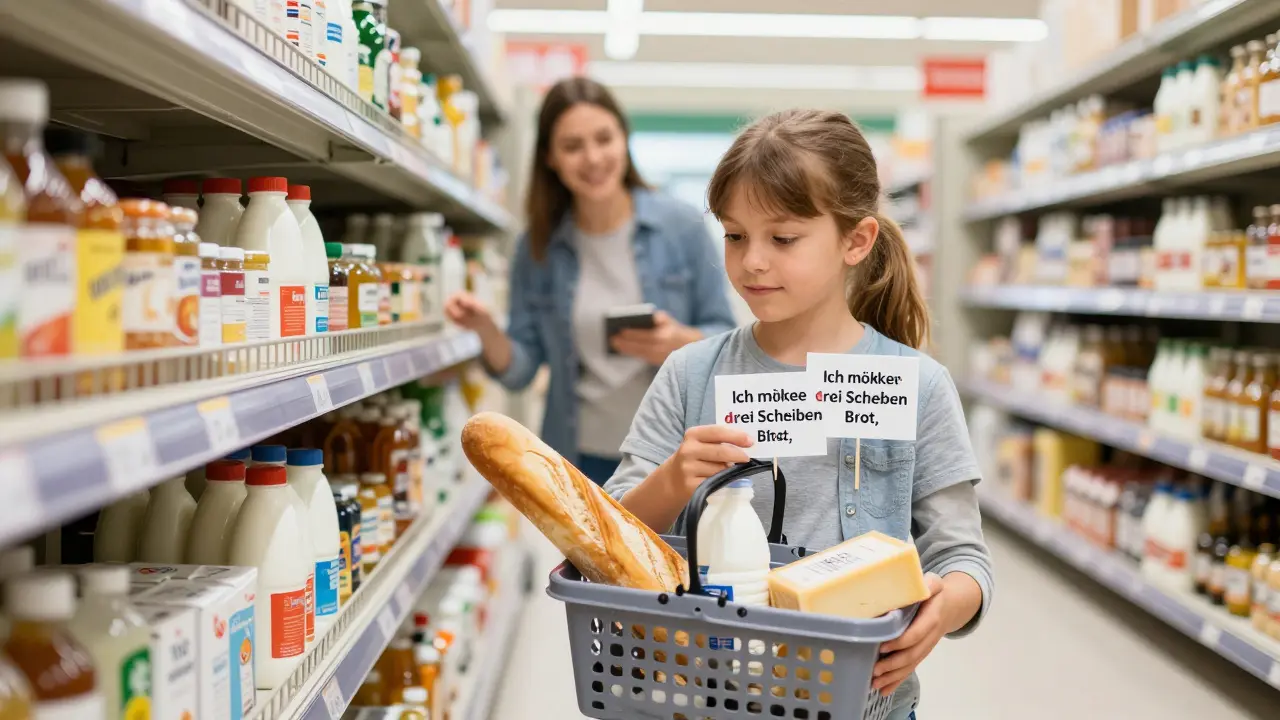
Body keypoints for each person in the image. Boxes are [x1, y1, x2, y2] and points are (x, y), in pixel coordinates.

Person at [603, 109, 992, 720]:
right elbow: (608, 537)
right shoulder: (689, 375)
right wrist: (673, 479)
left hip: (864, 701)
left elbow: (962, 556)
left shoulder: (916, 386)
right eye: (735, 236)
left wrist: (943, 610)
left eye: (782, 239)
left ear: (855, 241)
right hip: (706, 698)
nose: (752, 261)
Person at [445, 77, 736, 485]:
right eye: (572, 146)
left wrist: (680, 343)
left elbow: (726, 335)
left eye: (604, 138)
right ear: (550, 158)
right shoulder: (539, 245)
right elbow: (521, 370)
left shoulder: (682, 226)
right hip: (578, 458)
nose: (593, 157)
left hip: (673, 455)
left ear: (624, 138)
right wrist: (486, 330)